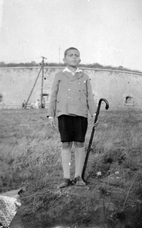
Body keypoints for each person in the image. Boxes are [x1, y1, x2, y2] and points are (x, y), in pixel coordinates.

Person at [47, 47, 97, 188]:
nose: (74, 57)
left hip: (81, 115)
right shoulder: (59, 75)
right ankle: (66, 178)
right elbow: (54, 95)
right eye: (71, 55)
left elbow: (90, 97)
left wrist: (94, 114)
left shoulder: (85, 76)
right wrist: (51, 115)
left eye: (76, 55)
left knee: (80, 144)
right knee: (66, 144)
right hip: (64, 114)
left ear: (79, 59)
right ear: (65, 59)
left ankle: (78, 177)